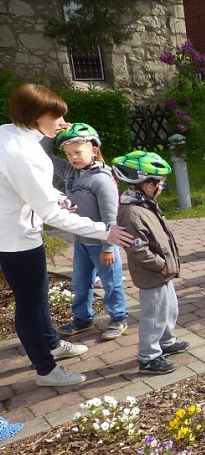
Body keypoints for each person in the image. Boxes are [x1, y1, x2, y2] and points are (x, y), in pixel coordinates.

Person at [0, 84, 132, 387]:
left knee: (38, 295)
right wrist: (104, 230)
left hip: (18, 230)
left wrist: (56, 195)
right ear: (35, 117)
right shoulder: (20, 151)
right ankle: (46, 370)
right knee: (30, 303)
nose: (63, 124)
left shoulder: (11, 133)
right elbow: (50, 215)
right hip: (16, 239)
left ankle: (52, 343)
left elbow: (30, 187)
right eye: (56, 117)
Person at [42, 123, 129, 340]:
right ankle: (83, 319)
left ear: (94, 150)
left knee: (111, 283)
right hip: (81, 243)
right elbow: (47, 157)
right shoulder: (72, 172)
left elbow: (111, 218)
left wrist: (109, 248)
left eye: (78, 152)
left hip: (103, 244)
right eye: (69, 154)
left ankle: (118, 318)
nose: (73, 158)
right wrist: (50, 132)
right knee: (80, 283)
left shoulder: (102, 180)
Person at [113, 151, 186, 375]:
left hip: (163, 272)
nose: (162, 187)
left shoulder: (146, 204)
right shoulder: (132, 213)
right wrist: (160, 264)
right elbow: (137, 248)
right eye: (159, 183)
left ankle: (166, 341)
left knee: (169, 309)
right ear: (145, 184)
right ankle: (148, 356)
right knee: (153, 316)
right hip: (153, 273)